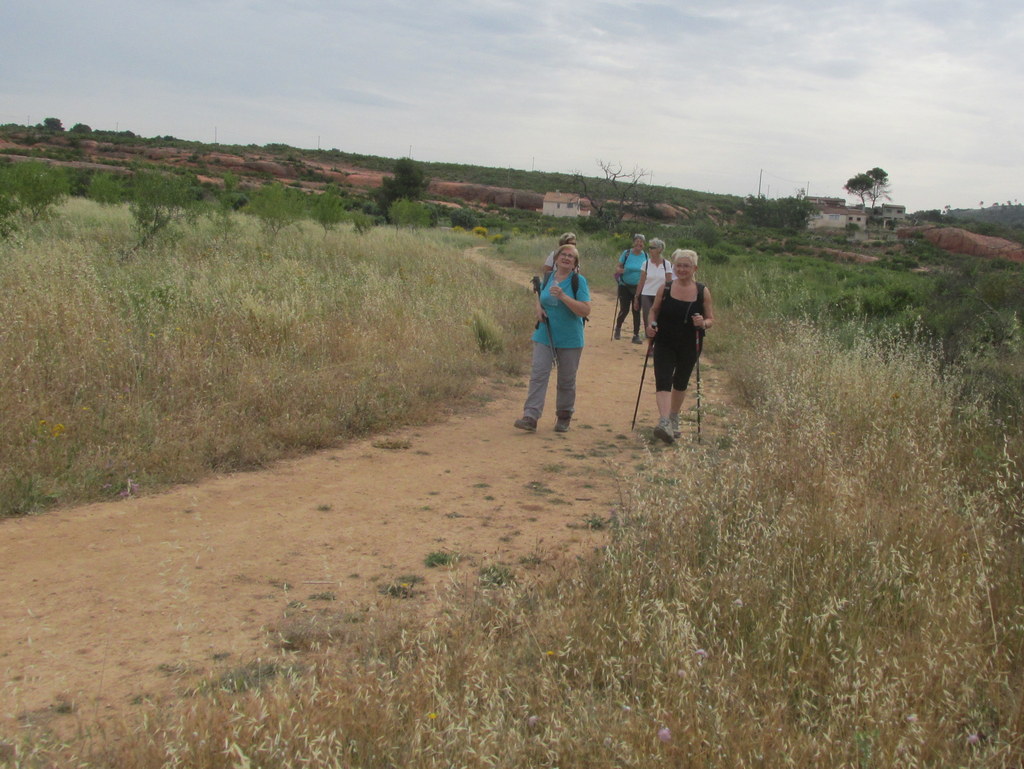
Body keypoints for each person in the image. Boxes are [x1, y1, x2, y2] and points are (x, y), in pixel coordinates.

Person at [515, 244, 591, 433]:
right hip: (545, 334)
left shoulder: (578, 281)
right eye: (563, 255)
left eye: (571, 256)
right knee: (538, 374)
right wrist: (539, 309)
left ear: (575, 263)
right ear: (556, 259)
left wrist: (564, 296)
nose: (566, 258)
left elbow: (585, 310)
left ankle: (564, 415)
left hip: (570, 338)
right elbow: (540, 296)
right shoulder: (549, 277)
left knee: (566, 379)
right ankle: (530, 416)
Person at [645, 249, 715, 444]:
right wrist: (650, 325)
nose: (682, 269)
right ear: (673, 267)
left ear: (695, 268)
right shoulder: (665, 288)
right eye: (679, 265)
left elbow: (711, 319)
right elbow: (654, 311)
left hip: (690, 343)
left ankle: (674, 417)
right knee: (663, 379)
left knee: (680, 381)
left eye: (686, 266)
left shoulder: (702, 291)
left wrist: (703, 323)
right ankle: (665, 421)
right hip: (664, 341)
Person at [632, 237, 673, 334]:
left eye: (652, 247)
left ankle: (658, 342)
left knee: (660, 320)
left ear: (659, 249)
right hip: (647, 294)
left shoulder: (666, 264)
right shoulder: (645, 264)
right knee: (648, 320)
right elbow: (641, 282)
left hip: (661, 296)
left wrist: (669, 298)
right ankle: (650, 341)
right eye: (649, 248)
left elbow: (669, 283)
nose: (650, 250)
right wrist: (636, 297)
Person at [613, 234, 647, 343]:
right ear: (633, 243)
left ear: (644, 245)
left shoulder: (646, 256)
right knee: (624, 309)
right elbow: (618, 267)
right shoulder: (626, 253)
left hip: (639, 287)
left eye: (641, 242)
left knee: (636, 310)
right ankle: (618, 328)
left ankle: (636, 335)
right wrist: (620, 270)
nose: (639, 243)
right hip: (624, 286)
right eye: (637, 241)